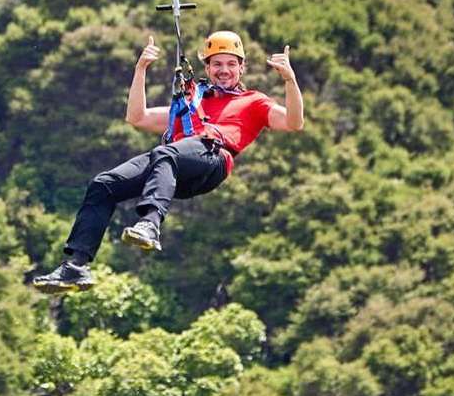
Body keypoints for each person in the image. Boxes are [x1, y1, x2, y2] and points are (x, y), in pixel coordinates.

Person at [31, 30, 304, 291]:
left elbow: (294, 122)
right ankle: (76, 265)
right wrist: (140, 71)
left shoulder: (254, 101)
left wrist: (289, 81)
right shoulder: (190, 104)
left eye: (231, 64)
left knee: (166, 153)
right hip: (172, 165)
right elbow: (137, 118)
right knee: (104, 184)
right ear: (207, 68)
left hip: (212, 158)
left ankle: (150, 224)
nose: (224, 70)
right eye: (217, 64)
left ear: (241, 68)